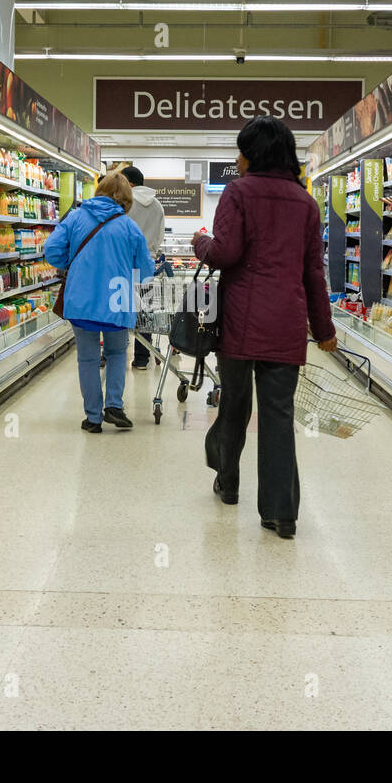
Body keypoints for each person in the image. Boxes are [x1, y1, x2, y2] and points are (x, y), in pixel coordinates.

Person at [192, 116, 336, 540]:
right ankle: (281, 514)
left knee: (235, 406)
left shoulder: (238, 193)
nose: (236, 159)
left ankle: (229, 482)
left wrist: (201, 243)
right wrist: (323, 328)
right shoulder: (306, 203)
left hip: (240, 320)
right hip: (285, 323)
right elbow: (314, 273)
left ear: (253, 154)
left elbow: (226, 252)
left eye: (240, 151)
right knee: (278, 415)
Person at [45, 171, 154, 433]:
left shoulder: (75, 217)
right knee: (117, 353)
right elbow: (146, 269)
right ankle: (114, 405)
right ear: (126, 199)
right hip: (118, 300)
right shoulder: (129, 226)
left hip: (80, 300)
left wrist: (72, 263)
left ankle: (93, 418)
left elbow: (52, 251)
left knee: (88, 359)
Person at [121, 165, 166, 370]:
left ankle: (113, 353)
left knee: (118, 309)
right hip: (147, 265)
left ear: (130, 183)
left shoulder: (125, 203)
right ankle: (141, 359)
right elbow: (159, 236)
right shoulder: (157, 206)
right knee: (143, 313)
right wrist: (152, 256)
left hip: (123, 264)